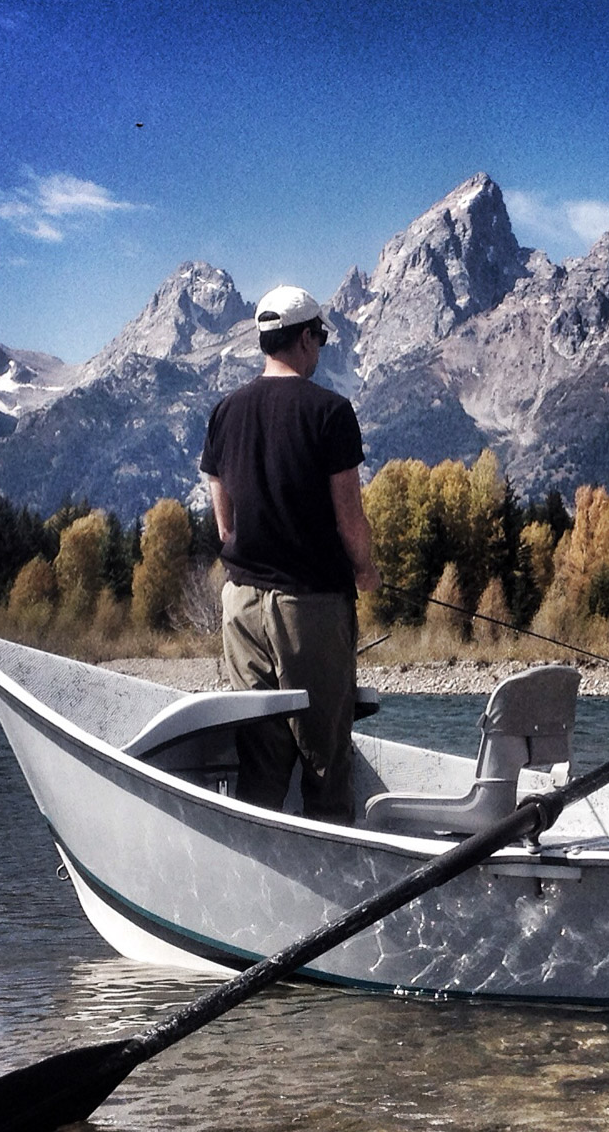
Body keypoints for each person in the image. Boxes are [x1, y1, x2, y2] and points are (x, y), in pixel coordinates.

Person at [200, 284, 381, 823]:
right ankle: (336, 889)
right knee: (325, 756)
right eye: (320, 339)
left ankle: (262, 873)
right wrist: (366, 570)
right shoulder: (330, 412)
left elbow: (225, 523)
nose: (320, 350)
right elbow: (350, 518)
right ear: (305, 338)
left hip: (239, 609)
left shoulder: (225, 412)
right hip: (311, 607)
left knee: (261, 756)